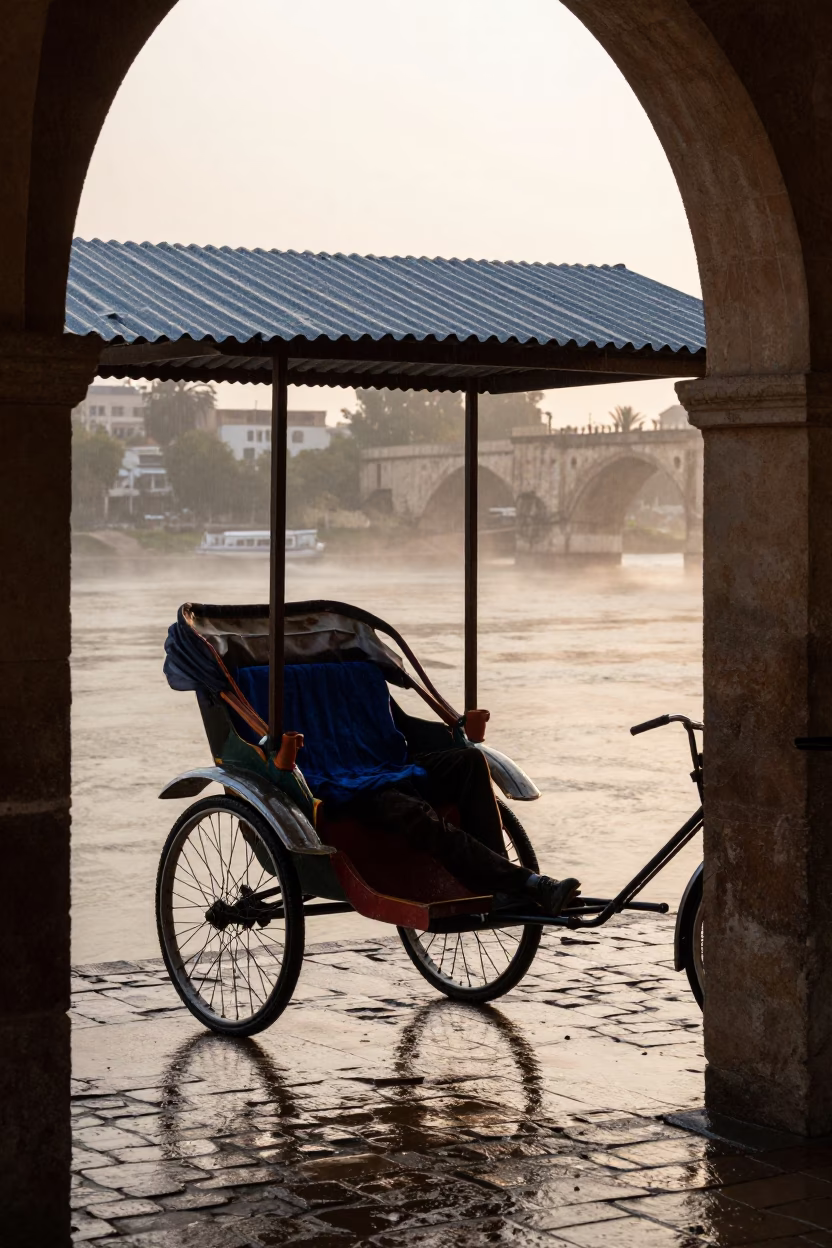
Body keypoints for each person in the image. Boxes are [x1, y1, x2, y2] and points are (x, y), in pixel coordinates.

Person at [340, 735, 581, 918]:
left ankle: (503, 885)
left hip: (387, 763)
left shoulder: (364, 672)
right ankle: (522, 882)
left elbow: (400, 721)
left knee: (471, 760)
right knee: (414, 814)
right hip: (343, 779)